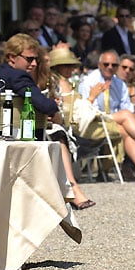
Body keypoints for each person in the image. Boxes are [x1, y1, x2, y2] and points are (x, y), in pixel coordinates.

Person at [78, 50, 135, 183]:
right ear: (99, 64)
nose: (110, 67)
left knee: (126, 128)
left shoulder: (119, 83)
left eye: (113, 65)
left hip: (114, 122)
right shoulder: (89, 81)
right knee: (125, 117)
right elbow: (90, 110)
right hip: (93, 121)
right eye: (106, 64)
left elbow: (127, 108)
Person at [47, 47, 98, 210]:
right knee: (60, 135)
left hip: (66, 123)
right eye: (66, 65)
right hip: (64, 125)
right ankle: (72, 187)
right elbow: (65, 112)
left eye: (71, 65)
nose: (70, 69)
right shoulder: (56, 83)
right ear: (56, 67)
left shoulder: (66, 83)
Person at [0, 34, 63, 129]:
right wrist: (55, 110)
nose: (34, 64)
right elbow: (43, 104)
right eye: (29, 59)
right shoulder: (19, 76)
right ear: (12, 57)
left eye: (36, 59)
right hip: (16, 133)